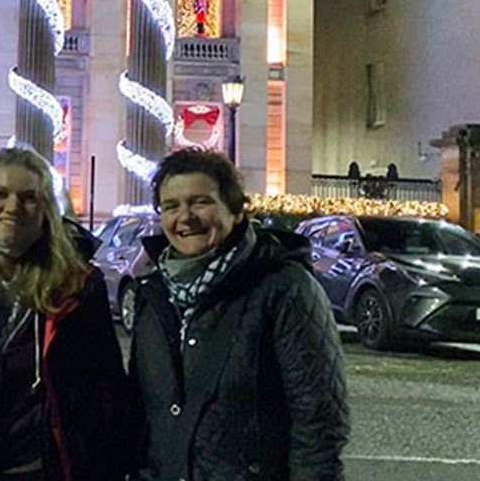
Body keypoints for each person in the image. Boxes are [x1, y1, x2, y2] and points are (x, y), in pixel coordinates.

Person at [130, 149, 349, 481]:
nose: (185, 217)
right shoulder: (154, 291)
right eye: (171, 206)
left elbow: (319, 420)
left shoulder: (284, 288)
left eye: (200, 202)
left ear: (234, 209)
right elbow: (143, 413)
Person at [0, 147, 131, 481]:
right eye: (0, 194)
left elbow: (108, 386)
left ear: (46, 208)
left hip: (45, 468)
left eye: (28, 197)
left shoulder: (80, 286)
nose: (13, 207)